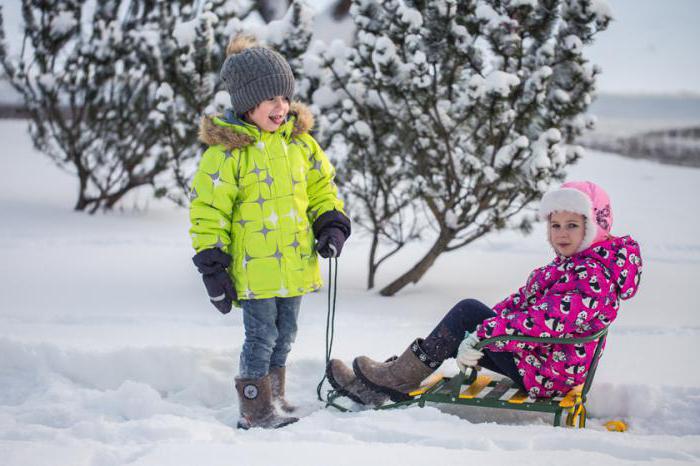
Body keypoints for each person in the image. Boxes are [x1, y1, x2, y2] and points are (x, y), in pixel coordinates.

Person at [327, 181, 641, 406]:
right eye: (555, 224)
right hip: (542, 357)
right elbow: (523, 303)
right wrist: (485, 326)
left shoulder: (591, 275)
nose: (561, 233)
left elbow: (549, 322)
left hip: (548, 369)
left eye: (572, 225)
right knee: (471, 315)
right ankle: (384, 382)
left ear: (594, 228)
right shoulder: (574, 265)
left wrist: (482, 333)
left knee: (468, 312)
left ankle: (396, 379)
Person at [189, 35, 351, 429]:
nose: (282, 108)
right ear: (247, 104)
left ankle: (274, 398)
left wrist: (330, 224)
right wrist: (214, 267)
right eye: (271, 100)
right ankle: (255, 409)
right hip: (254, 269)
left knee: (286, 334)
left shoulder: (301, 145)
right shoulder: (227, 154)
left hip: (293, 263)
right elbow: (208, 211)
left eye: (285, 97)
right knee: (260, 338)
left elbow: (321, 189)